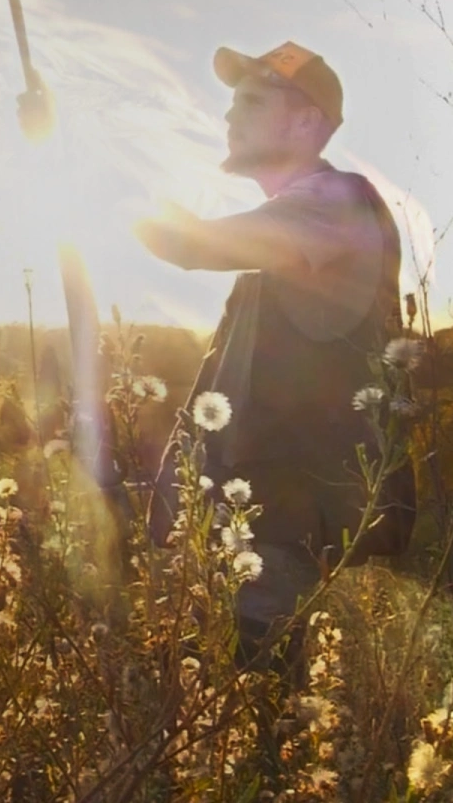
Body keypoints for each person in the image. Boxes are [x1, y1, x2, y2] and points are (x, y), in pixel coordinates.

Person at [132, 40, 414, 672]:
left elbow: (188, 241)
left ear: (307, 121)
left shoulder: (336, 201)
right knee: (212, 716)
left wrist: (76, 170)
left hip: (278, 523)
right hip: (246, 517)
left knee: (249, 709)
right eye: (231, 102)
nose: (230, 116)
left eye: (253, 101)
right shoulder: (293, 228)